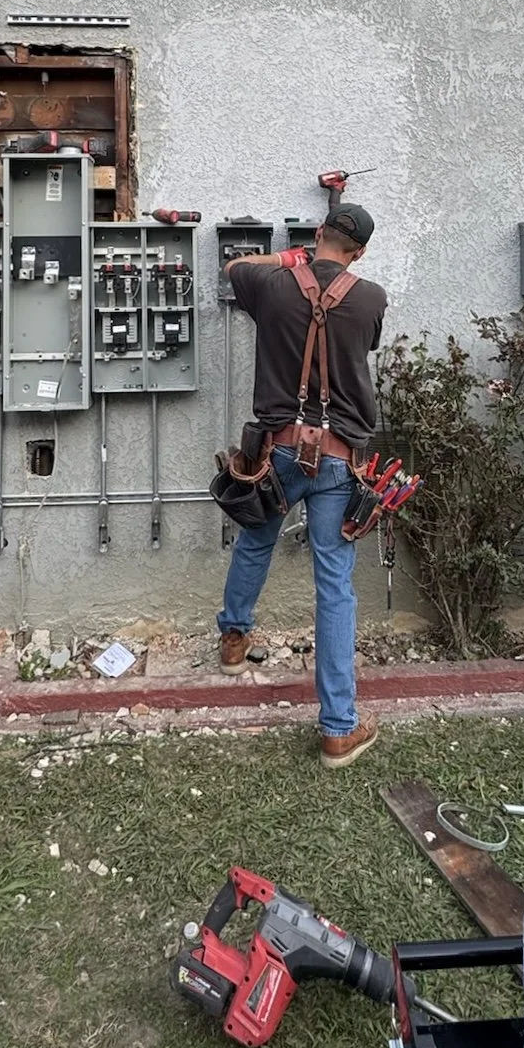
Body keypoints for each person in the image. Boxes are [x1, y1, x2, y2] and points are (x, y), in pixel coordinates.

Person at [218, 203, 386, 768]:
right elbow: (365, 346)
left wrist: (289, 258)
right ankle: (339, 728)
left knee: (256, 540)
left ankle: (234, 640)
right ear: (359, 252)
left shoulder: (272, 283)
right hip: (339, 458)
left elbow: (233, 268)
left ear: (317, 236)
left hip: (278, 451)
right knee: (334, 586)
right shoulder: (370, 298)